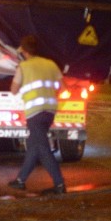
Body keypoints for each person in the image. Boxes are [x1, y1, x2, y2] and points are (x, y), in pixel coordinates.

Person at [7, 35, 66, 195]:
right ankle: (20, 180)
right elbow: (61, 86)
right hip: (49, 111)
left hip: (35, 112)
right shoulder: (50, 64)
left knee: (42, 148)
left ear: (24, 51)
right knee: (34, 146)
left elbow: (13, 90)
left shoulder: (24, 67)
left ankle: (59, 184)